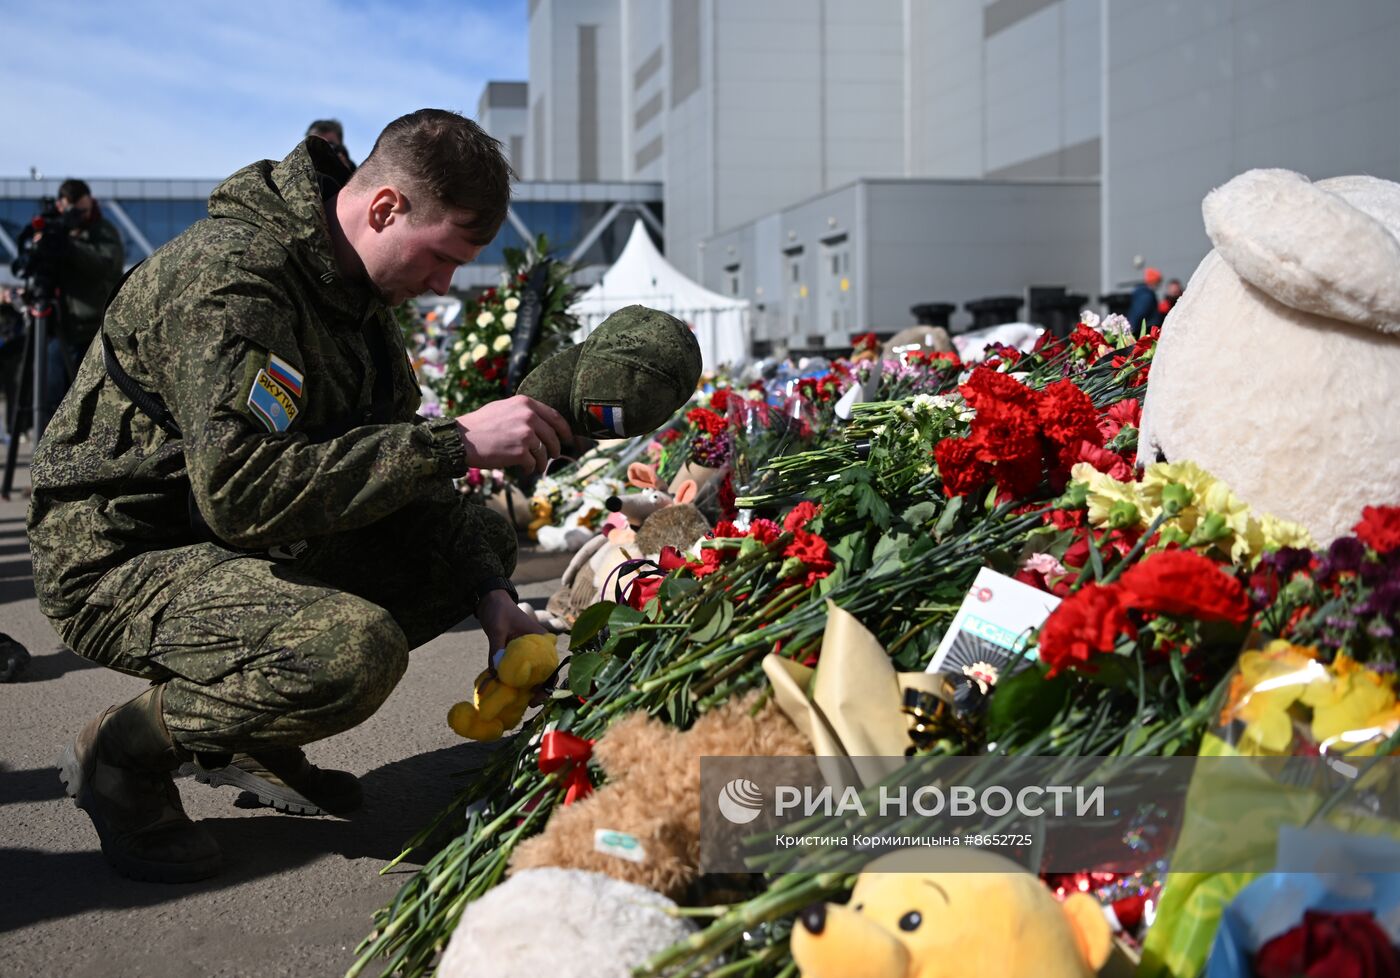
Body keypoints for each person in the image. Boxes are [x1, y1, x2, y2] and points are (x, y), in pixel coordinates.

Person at [28, 109, 573, 883]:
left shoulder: (357, 299)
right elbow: (242, 492)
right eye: (444, 255)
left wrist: (492, 598)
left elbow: (399, 480)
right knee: (349, 651)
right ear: (385, 208)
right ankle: (121, 754)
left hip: (219, 538)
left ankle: (248, 733)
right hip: (116, 554)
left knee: (470, 538)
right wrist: (452, 440)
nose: (446, 283)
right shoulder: (233, 278)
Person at [44, 179, 126, 416]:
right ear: (61, 206)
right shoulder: (56, 230)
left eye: (83, 210)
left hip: (93, 329)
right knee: (52, 395)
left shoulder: (104, 231)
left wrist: (71, 247)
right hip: (58, 326)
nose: (80, 216)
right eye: (74, 211)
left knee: (90, 400)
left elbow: (106, 266)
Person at [1125, 266, 1161, 331]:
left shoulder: (1142, 293)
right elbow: (1139, 314)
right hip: (1145, 331)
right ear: (1153, 281)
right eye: (1158, 282)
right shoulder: (1147, 296)